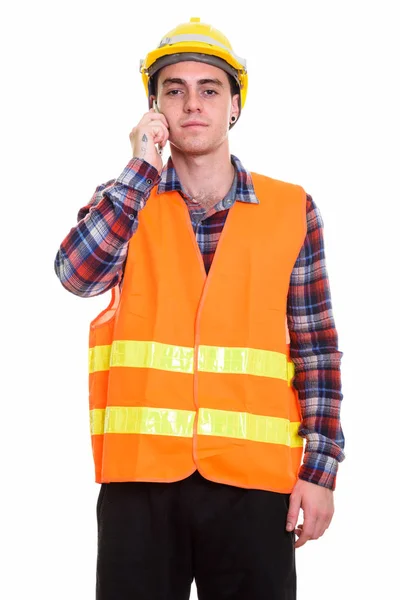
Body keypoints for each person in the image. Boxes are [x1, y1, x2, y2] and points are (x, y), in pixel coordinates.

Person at [54, 16, 345, 600]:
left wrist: (321, 473)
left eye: (209, 89)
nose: (193, 103)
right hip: (140, 481)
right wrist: (140, 165)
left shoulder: (292, 209)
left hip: (255, 483)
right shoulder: (125, 201)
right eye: (174, 90)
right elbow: (76, 275)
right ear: (154, 108)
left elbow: (316, 348)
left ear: (234, 105)